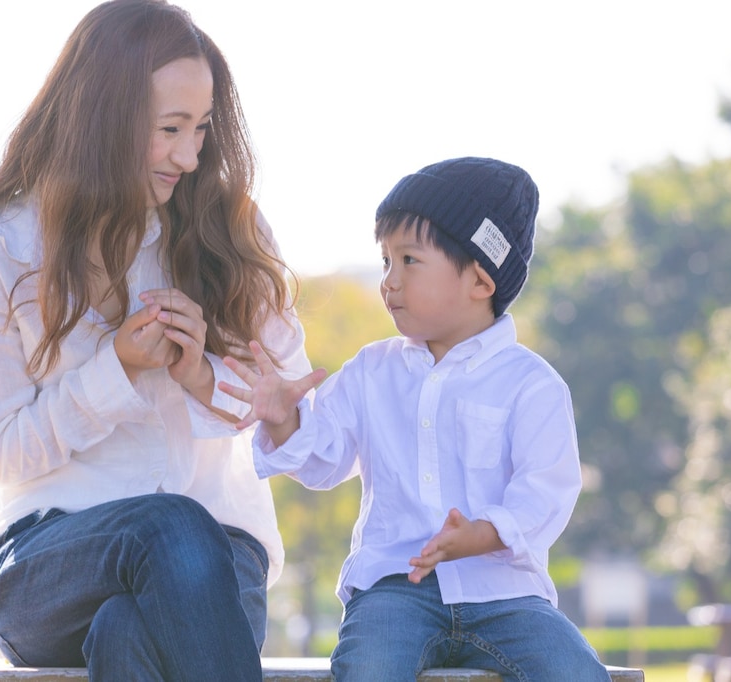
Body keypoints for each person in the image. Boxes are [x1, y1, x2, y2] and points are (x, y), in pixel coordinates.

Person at [0, 1, 311, 679]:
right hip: (50, 556)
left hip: (221, 561)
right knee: (168, 528)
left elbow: (293, 417)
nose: (190, 155)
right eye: (170, 129)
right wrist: (116, 368)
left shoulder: (234, 234)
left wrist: (205, 376)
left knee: (128, 631)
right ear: (102, 118)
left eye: (200, 129)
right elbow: (3, 453)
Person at [219, 157, 612, 681]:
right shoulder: (371, 371)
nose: (389, 281)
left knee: (574, 671)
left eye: (409, 260)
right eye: (384, 261)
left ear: (479, 278)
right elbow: (324, 459)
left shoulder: (531, 383)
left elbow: (547, 489)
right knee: (368, 668)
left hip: (506, 594)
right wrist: (285, 421)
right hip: (394, 591)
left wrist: (483, 533)